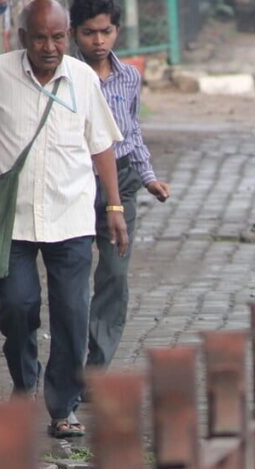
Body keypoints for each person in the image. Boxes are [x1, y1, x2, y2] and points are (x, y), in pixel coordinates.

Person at [0, 0, 126, 438]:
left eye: (57, 37)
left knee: (72, 312)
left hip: (70, 216)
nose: (49, 47)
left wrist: (114, 206)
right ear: (23, 38)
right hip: (12, 219)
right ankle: (23, 382)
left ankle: (62, 406)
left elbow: (101, 144)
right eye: (39, 38)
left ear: (66, 35)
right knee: (17, 305)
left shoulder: (84, 79)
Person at [70, 0, 171, 372]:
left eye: (106, 32)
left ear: (117, 31)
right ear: (74, 33)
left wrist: (149, 177)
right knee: (73, 274)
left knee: (114, 272)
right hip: (76, 179)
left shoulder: (128, 76)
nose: (98, 41)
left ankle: (97, 367)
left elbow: (132, 130)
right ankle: (67, 361)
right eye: (89, 32)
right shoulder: (67, 76)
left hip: (123, 179)